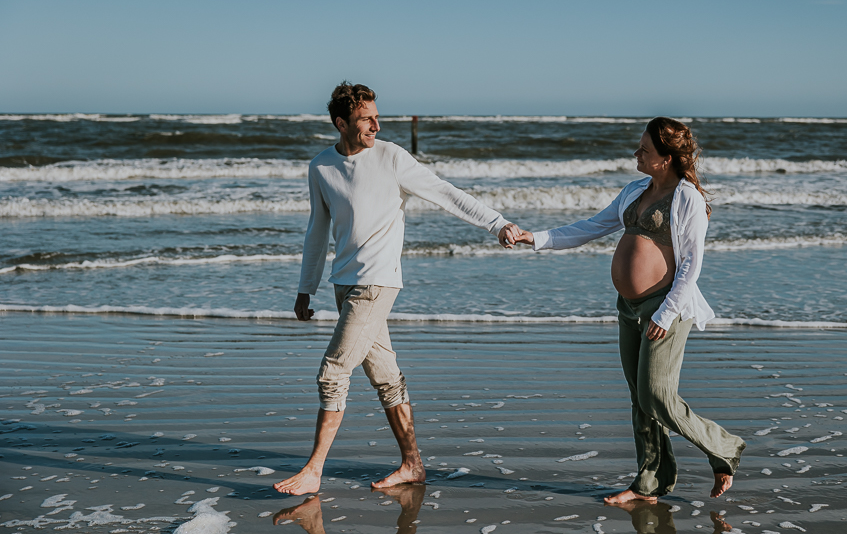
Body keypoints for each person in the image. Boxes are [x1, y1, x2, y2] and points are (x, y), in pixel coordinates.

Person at [274, 82, 518, 496]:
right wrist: (305, 288)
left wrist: (498, 224)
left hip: (377, 282)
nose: (376, 124)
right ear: (341, 123)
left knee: (333, 372)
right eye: (366, 118)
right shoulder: (321, 167)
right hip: (343, 285)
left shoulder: (391, 157)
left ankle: (314, 469)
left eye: (375, 115)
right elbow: (317, 230)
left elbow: (446, 193)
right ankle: (413, 465)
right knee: (386, 378)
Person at [501, 117, 745, 502]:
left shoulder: (687, 198)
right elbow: (591, 226)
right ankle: (650, 483)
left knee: (657, 396)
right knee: (639, 399)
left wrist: (665, 314)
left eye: (644, 149)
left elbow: (692, 264)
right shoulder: (634, 190)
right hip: (628, 308)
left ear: (665, 158)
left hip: (666, 307)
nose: (637, 153)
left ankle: (724, 447)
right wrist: (537, 237)